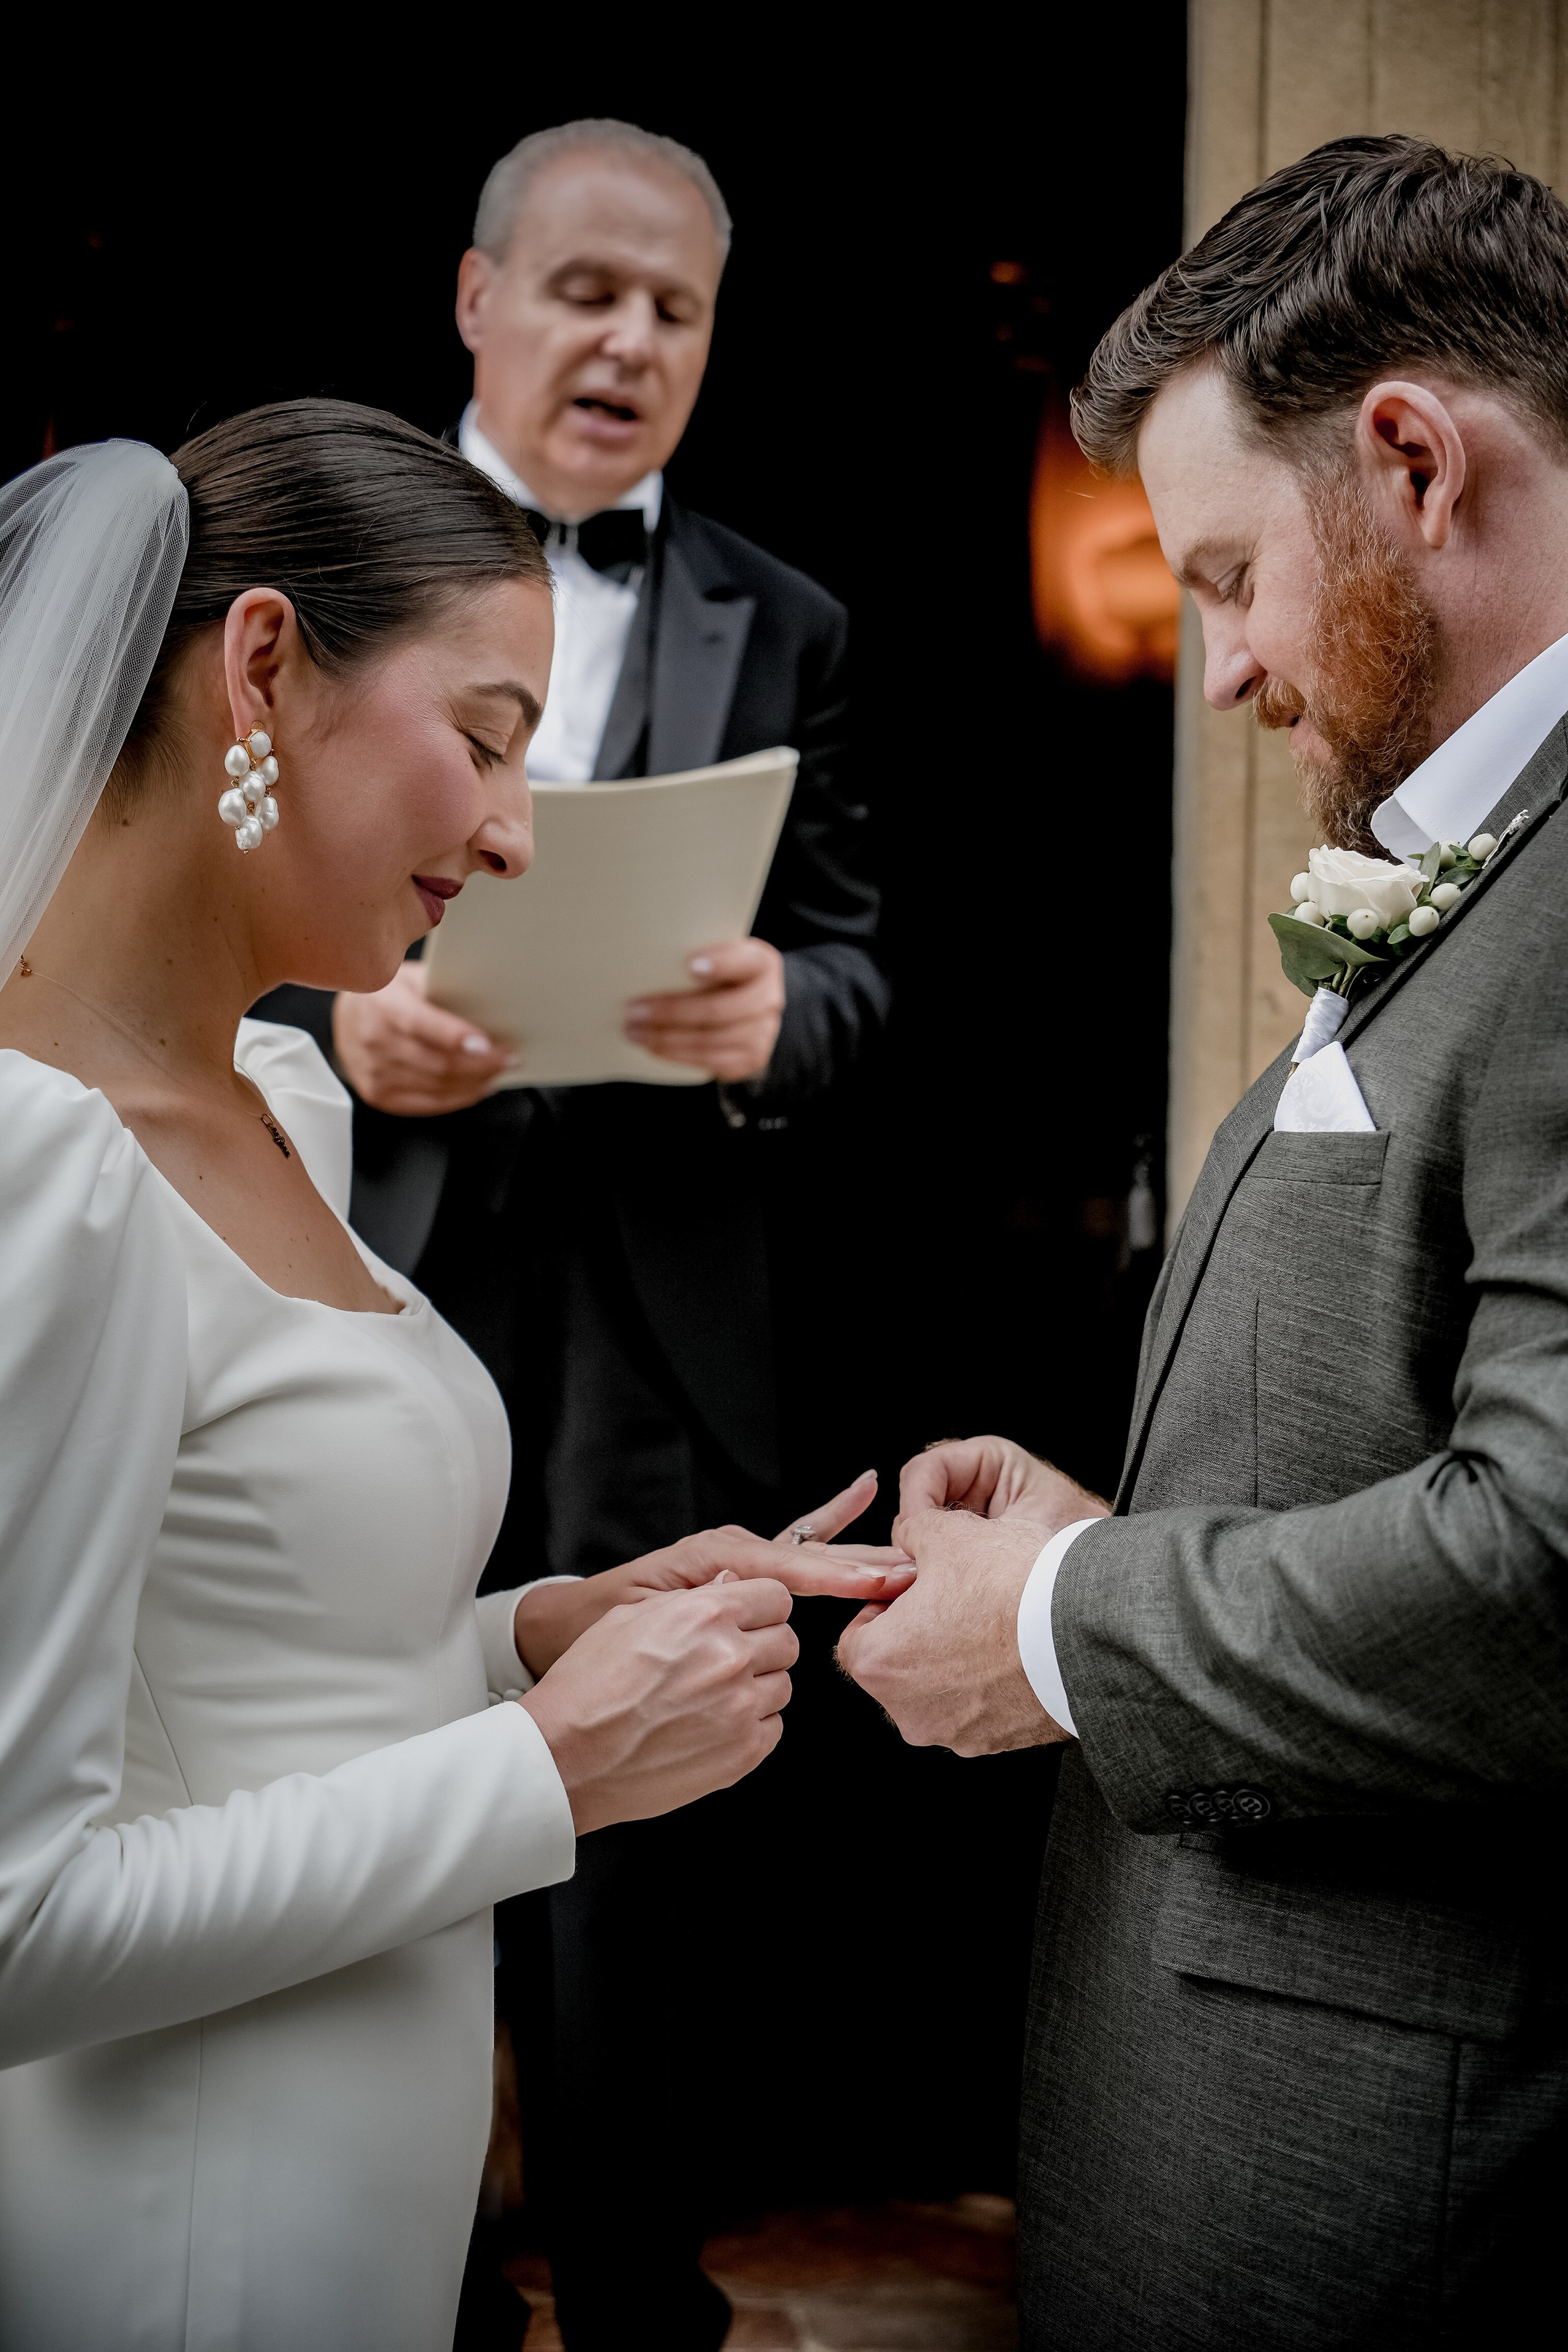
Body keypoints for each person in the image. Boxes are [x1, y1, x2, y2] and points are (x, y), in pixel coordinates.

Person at [0, 405, 905, 2352]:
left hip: (367, 2223)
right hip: (188, 2244)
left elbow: (254, 1666)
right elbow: (13, 1927)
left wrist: (544, 1637)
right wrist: (551, 1774)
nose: (515, 827)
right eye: (486, 740)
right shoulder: (39, 1165)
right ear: (262, 669)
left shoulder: (287, 1104)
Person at [840, 135, 1568, 2348]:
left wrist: (1066, 1617)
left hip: (1388, 2192)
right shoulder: (1491, 850)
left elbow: (1549, 1558)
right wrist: (1123, 1525)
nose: (1224, 664)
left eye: (1231, 572)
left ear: (1416, 462)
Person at [255, 120, 889, 2350]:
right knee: (356, 1733)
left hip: (654, 1308)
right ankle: (400, 2290)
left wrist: (770, 1019)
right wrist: (339, 1014)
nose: (629, 343)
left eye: (678, 310)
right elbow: (175, 887)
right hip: (363, 1256)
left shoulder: (784, 620)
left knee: (639, 1813)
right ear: (474, 299)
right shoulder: (318, 574)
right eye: (588, 291)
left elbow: (854, 961)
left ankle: (639, 2298)